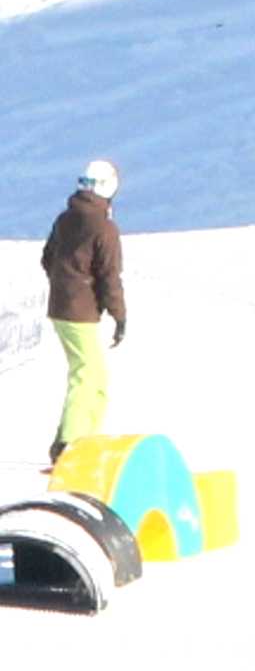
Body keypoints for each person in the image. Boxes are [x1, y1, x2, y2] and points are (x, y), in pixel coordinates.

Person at [41, 159, 125, 466]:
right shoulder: (105, 227)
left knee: (97, 377)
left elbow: (48, 258)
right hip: (81, 310)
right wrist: (119, 315)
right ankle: (68, 446)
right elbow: (109, 275)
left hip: (62, 306)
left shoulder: (66, 219)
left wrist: (64, 285)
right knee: (86, 375)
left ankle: (84, 443)